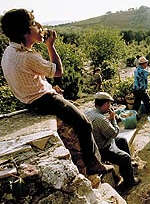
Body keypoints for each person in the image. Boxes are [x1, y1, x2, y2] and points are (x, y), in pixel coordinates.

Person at [0, 9, 110, 175]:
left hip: (28, 100)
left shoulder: (9, 52)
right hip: (43, 100)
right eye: (34, 23)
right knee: (84, 123)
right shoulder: (27, 57)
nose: (39, 26)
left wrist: (48, 86)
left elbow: (30, 76)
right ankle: (92, 163)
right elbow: (58, 71)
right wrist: (51, 46)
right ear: (26, 32)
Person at [85, 92, 140, 189]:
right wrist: (113, 118)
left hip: (98, 142)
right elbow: (114, 133)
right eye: (109, 104)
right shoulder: (100, 119)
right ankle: (129, 182)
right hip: (103, 148)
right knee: (125, 157)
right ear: (106, 104)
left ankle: (127, 167)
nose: (110, 106)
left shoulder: (89, 112)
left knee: (122, 141)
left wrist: (109, 120)